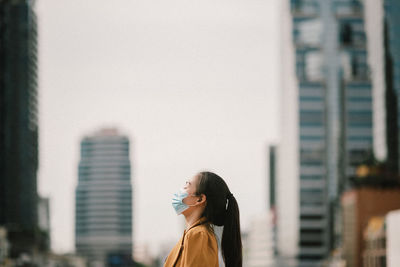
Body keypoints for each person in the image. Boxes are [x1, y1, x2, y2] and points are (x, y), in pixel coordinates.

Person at [164, 171, 242, 267]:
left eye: (187, 185)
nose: (181, 189)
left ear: (200, 199)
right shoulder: (191, 235)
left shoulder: (199, 235)